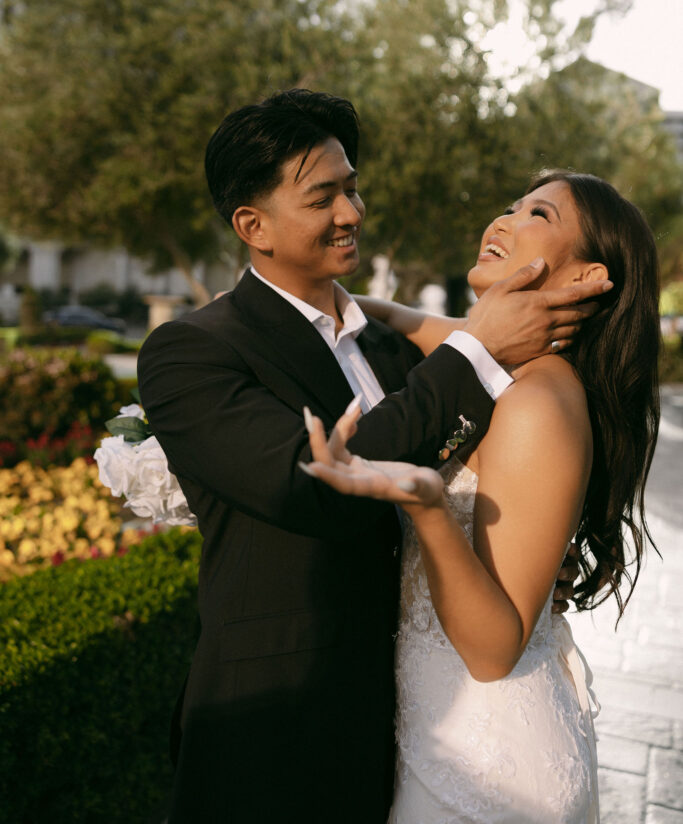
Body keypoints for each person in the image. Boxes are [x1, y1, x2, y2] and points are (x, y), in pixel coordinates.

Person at [137, 91, 611, 824]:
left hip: (414, 725)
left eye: (352, 188)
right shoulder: (194, 350)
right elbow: (312, 484)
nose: (352, 213)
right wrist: (475, 347)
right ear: (251, 225)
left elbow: (481, 462)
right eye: (323, 196)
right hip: (275, 732)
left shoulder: (393, 350)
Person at [304, 170, 660, 823]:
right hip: (433, 731)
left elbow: (494, 650)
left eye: (538, 216)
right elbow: (405, 320)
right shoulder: (500, 366)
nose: (501, 222)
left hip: (485, 771)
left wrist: (426, 507)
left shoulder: (536, 403)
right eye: (508, 205)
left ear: (585, 278)